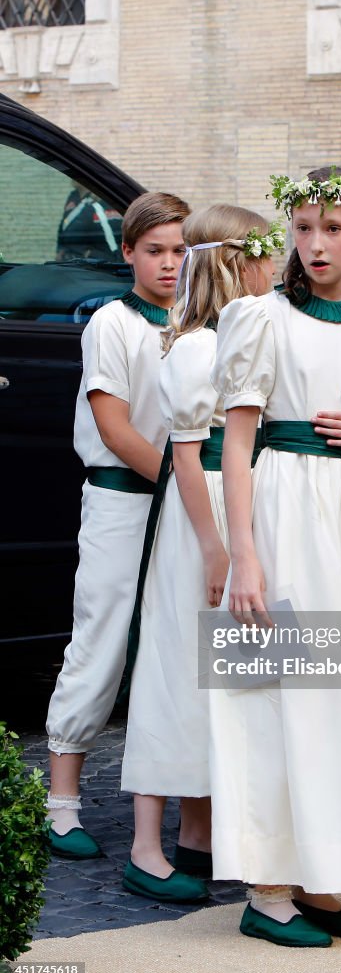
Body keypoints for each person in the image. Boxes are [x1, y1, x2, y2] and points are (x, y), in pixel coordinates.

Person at [209, 167, 341, 947]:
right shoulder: (261, 320)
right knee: (279, 695)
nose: (315, 244)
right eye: (302, 228)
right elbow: (236, 445)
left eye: (333, 228)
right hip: (285, 512)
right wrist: (246, 558)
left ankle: (327, 882)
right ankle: (267, 892)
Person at [119, 205, 282, 902]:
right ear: (235, 264)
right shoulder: (193, 347)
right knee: (181, 665)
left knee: (235, 670)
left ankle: (205, 835)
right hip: (201, 515)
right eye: (266, 257)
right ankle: (146, 845)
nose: (275, 270)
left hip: (240, 498)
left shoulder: (243, 337)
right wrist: (216, 548)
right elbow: (186, 455)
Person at [45, 191, 190, 860]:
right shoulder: (112, 324)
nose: (168, 263)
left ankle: (185, 803)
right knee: (100, 636)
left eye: (179, 250)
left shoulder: (196, 323)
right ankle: (61, 803)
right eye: (154, 250)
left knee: (173, 646)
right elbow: (113, 424)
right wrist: (182, 481)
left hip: (179, 507)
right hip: (122, 500)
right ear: (128, 250)